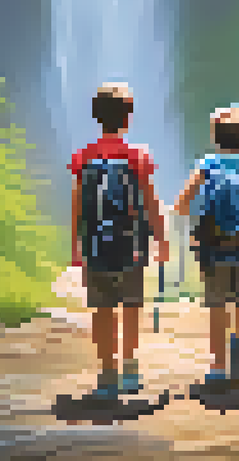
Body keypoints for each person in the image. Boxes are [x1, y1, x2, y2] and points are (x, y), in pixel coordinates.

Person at [70, 82, 170, 399]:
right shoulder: (138, 156)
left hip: (96, 244)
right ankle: (129, 369)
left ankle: (106, 373)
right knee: (130, 306)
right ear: (128, 118)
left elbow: (77, 205)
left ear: (95, 116)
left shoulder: (83, 156)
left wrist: (75, 245)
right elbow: (151, 202)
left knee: (101, 309)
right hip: (132, 244)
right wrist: (161, 240)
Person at [175, 105, 239, 387]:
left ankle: (217, 365)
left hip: (212, 246)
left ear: (216, 138)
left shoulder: (208, 164)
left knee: (217, 305)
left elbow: (182, 203)